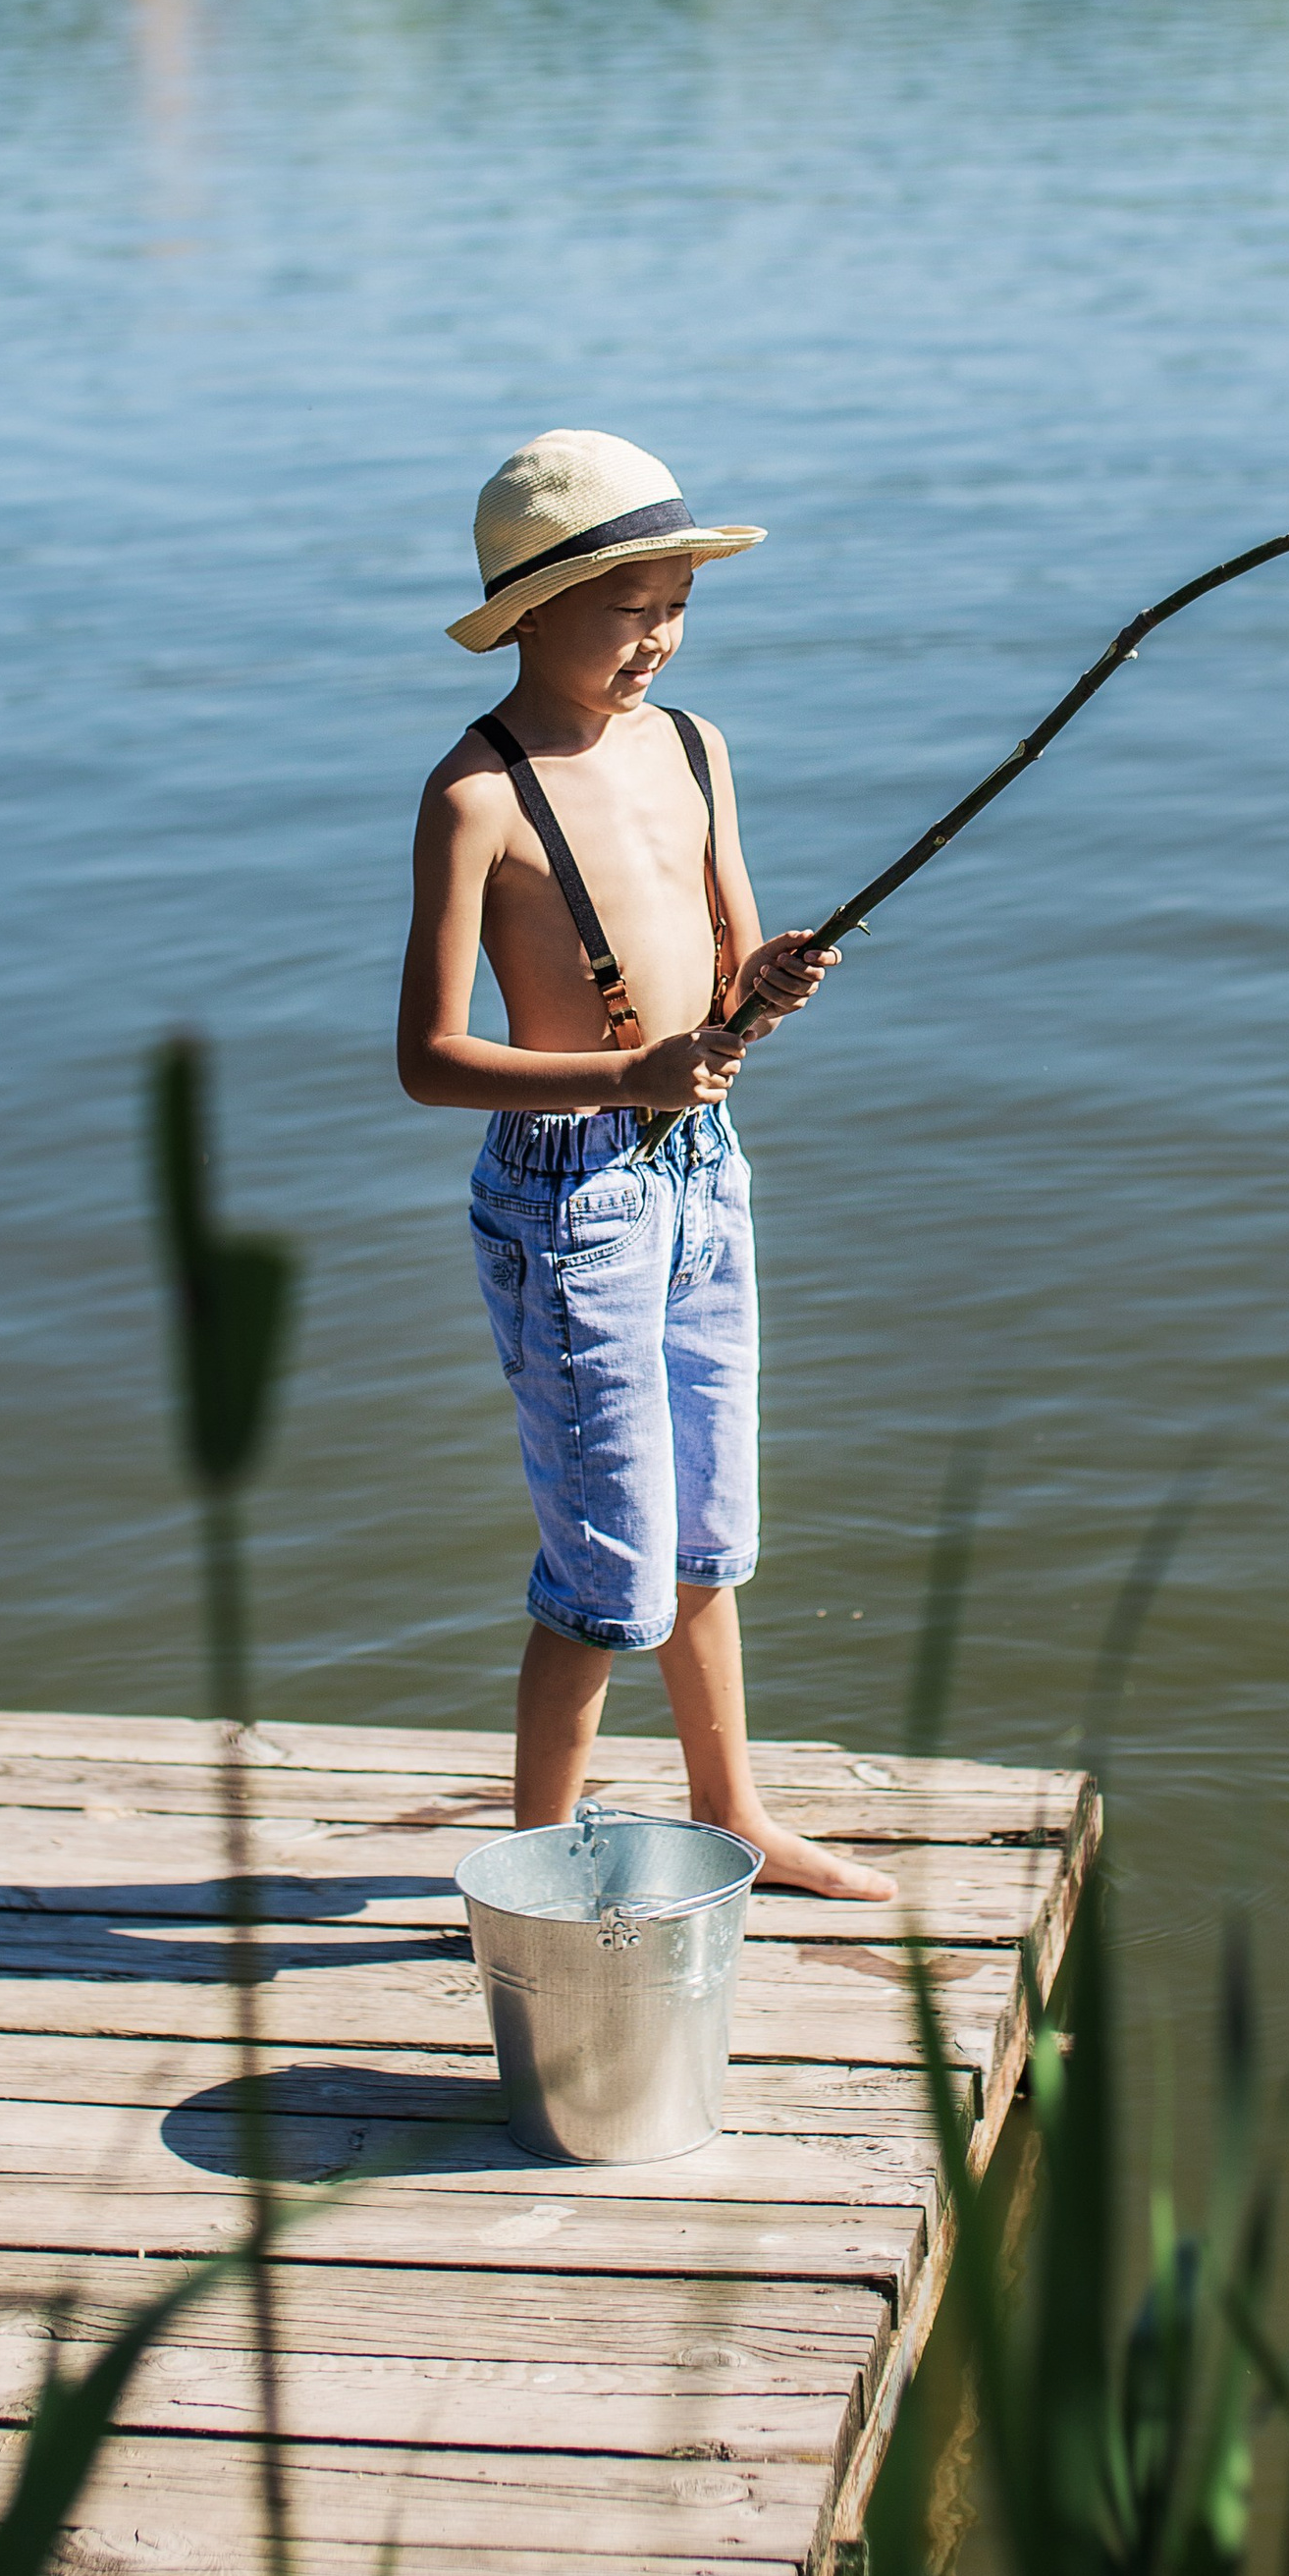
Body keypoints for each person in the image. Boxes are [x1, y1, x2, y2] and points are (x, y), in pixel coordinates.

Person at [398, 426, 894, 1901]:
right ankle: (535, 1870)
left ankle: (734, 1811)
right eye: (632, 609)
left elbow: (735, 972)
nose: (660, 637)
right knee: (607, 1567)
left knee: (710, 1534)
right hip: (571, 1203)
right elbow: (428, 1059)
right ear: (534, 612)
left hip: (703, 1172)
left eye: (678, 603)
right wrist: (629, 1071)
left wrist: (774, 980)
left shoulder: (695, 747)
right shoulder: (475, 796)